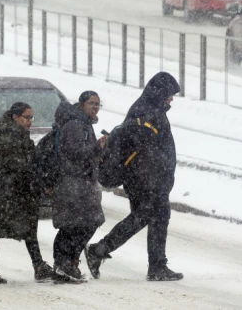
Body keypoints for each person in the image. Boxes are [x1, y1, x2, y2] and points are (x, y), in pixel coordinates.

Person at [84, 71, 183, 282]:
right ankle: (100, 250)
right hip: (145, 181)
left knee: (155, 218)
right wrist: (153, 181)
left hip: (151, 180)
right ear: (160, 93)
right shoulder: (146, 113)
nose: (171, 99)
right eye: (169, 94)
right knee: (143, 217)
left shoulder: (150, 109)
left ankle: (156, 266)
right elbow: (144, 154)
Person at [0, 103, 54, 284]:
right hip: (7, 191)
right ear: (15, 117)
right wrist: (33, 175)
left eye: (31, 117)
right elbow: (16, 165)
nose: (30, 121)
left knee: (20, 229)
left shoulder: (16, 134)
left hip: (14, 191)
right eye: (26, 117)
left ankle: (37, 265)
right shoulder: (8, 137)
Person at [51, 91, 107, 283]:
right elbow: (74, 153)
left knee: (83, 222)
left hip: (81, 182)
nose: (95, 107)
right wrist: (97, 147)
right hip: (72, 182)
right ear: (82, 104)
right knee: (75, 225)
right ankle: (64, 263)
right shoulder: (75, 124)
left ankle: (67, 262)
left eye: (98, 104)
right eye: (92, 103)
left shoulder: (82, 123)